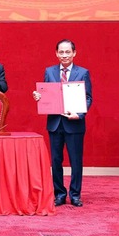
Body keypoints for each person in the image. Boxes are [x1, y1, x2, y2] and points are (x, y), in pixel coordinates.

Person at [32, 39, 92, 207]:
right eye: (61, 52)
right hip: (55, 123)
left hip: (74, 124)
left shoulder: (83, 73)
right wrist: (39, 96)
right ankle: (59, 194)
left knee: (76, 161)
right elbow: (46, 93)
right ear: (56, 53)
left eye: (68, 52)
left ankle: (75, 195)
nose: (64, 55)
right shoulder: (49, 71)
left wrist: (79, 114)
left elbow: (88, 97)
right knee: (56, 161)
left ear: (74, 53)